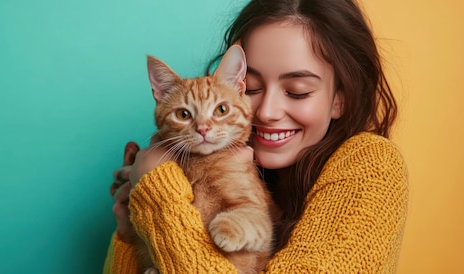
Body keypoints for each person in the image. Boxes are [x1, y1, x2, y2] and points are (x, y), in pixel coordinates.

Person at [104, 0, 409, 272]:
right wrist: (132, 234)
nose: (266, 112)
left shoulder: (372, 165)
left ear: (340, 98)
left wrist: (159, 198)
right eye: (250, 88)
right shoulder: (220, 162)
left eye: (297, 91)